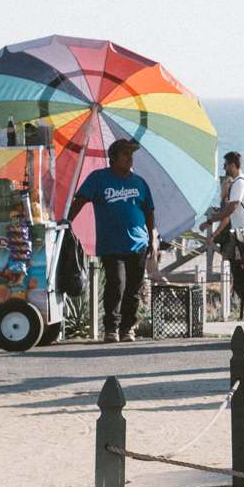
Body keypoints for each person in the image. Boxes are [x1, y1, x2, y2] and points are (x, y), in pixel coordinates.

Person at [67, 139, 156, 343]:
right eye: (125, 154)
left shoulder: (139, 182)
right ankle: (111, 328)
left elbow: (149, 211)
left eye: (131, 154)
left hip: (139, 244)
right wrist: (66, 222)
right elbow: (80, 200)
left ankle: (127, 329)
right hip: (111, 244)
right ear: (113, 158)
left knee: (133, 289)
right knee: (116, 284)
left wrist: (151, 238)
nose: (129, 158)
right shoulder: (99, 178)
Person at [203, 151, 244, 315]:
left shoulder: (239, 183)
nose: (224, 168)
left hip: (242, 235)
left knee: (239, 271)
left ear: (233, 165)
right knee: (239, 271)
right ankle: (242, 307)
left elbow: (232, 208)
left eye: (225, 165)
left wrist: (211, 220)